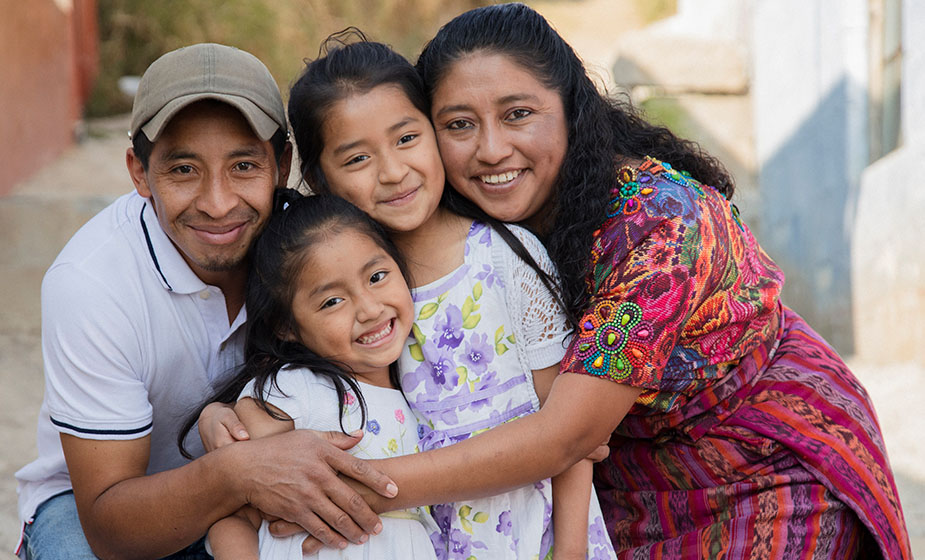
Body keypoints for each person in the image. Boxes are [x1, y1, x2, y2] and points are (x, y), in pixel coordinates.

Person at [202, 6, 911, 559]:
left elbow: (561, 435)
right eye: (457, 124)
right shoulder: (405, 232)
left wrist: (328, 483)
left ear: (570, 107)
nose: (489, 149)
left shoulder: (663, 224)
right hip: (609, 487)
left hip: (756, 466)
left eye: (517, 115)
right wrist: (232, 422)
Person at [14, 43, 398, 560]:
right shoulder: (91, 283)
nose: (218, 205)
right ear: (138, 171)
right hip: (109, 503)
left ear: (282, 164)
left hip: (263, 479)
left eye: (244, 165)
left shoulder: (307, 246)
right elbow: (110, 526)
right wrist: (238, 472)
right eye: (183, 170)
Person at [284, 35, 616, 559]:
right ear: (319, 181)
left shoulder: (507, 257)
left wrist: (571, 551)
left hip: (537, 535)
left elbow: (571, 437)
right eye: (357, 159)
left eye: (407, 138)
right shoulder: (353, 299)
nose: (392, 172)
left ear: (435, 134)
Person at [186, 193, 439, 559]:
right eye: (332, 301)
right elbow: (233, 511)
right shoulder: (296, 388)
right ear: (286, 326)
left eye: (377, 276)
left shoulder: (423, 385)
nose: (369, 309)